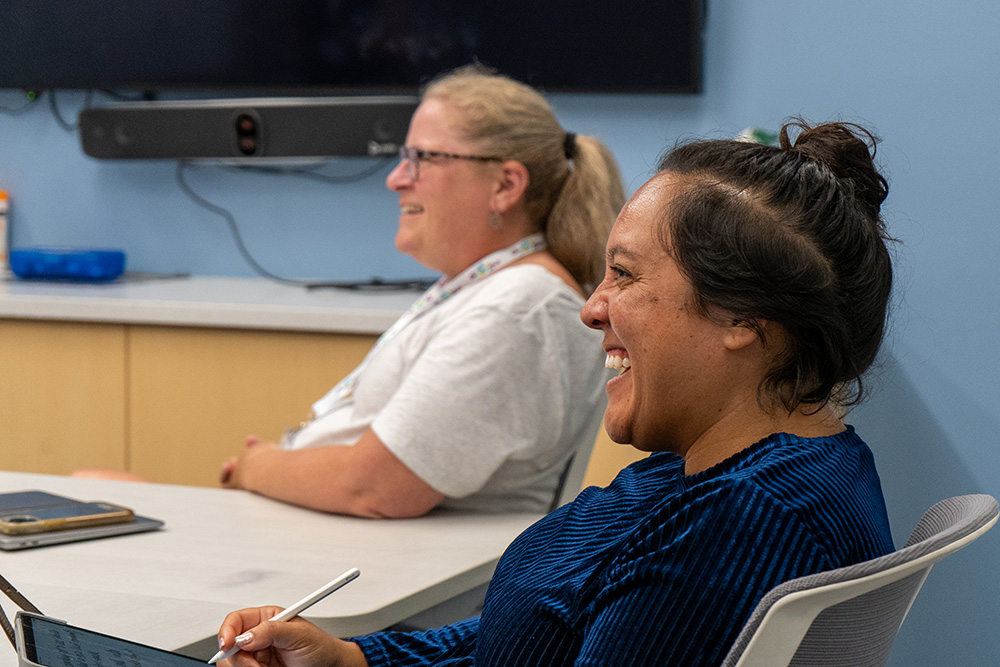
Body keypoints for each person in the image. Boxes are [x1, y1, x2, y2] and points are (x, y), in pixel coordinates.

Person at [213, 119, 898, 666]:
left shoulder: (741, 523)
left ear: (745, 320)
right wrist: (355, 660)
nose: (592, 308)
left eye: (625, 276)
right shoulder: (751, 472)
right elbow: (536, 635)